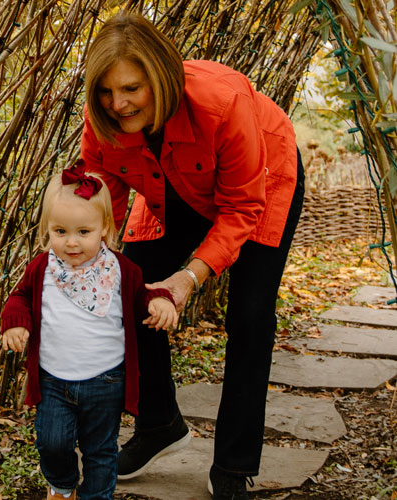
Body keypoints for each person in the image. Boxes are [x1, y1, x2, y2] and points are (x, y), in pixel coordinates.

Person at [80, 12, 305, 500]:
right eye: (105, 91)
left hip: (261, 181)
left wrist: (189, 276)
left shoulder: (224, 101)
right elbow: (99, 196)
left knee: (249, 315)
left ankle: (234, 462)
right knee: (132, 285)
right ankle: (159, 422)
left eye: (132, 89)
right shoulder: (102, 122)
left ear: (159, 77)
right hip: (174, 187)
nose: (117, 104)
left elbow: (242, 206)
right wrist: (81, 262)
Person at [0, 161, 178, 500]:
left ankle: (97, 496)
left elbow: (142, 296)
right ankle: (62, 484)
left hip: (105, 380)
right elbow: (19, 298)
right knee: (52, 442)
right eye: (60, 231)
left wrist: (160, 301)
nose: (71, 243)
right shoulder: (42, 268)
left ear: (105, 229)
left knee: (101, 450)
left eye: (84, 232)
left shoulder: (121, 269)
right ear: (47, 229)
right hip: (53, 379)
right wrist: (16, 322)